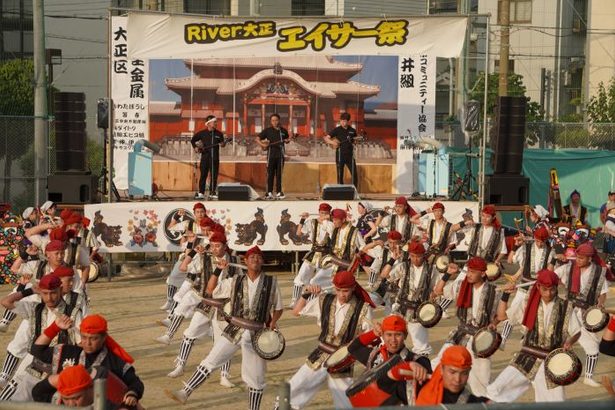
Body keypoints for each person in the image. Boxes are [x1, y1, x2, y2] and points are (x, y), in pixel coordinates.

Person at [166, 246, 283, 409]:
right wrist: (218, 271)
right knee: (210, 361)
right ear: (246, 261)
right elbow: (210, 290)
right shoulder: (235, 281)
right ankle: (185, 392)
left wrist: (273, 322)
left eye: (258, 257)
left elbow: (278, 308)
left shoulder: (271, 282)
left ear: (262, 261)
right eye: (252, 257)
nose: (255, 259)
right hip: (234, 329)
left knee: (255, 379)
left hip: (257, 334)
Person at [486, 269, 581, 402]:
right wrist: (506, 295)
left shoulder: (566, 307)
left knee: (554, 404)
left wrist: (570, 342)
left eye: (552, 289)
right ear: (538, 286)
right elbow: (502, 316)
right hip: (526, 357)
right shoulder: (528, 302)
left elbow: (577, 331)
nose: (548, 293)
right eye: (545, 289)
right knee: (496, 390)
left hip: (551, 363)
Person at [285, 270, 374, 409]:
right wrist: (306, 293)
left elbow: (366, 338)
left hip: (344, 360)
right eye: (338, 290)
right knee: (293, 389)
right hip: (320, 355)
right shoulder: (324, 300)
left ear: (353, 288)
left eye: (345, 291)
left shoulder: (363, 308)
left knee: (344, 404)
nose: (341, 295)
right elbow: (296, 311)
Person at [30, 314, 144, 407]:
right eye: (84, 337)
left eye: (93, 338)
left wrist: (132, 394)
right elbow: (37, 351)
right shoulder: (68, 352)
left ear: (104, 337)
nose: (87, 343)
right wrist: (55, 327)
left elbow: (135, 383)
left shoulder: (115, 363)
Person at [0, 274, 82, 401]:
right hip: (35, 368)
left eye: (53, 293)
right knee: (17, 401)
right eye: (45, 293)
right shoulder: (34, 308)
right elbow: (6, 302)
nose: (49, 298)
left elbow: (81, 344)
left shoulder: (73, 313)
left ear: (60, 290)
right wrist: (30, 290)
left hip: (60, 373)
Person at [431, 256, 502, 397]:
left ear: (482, 274)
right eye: (468, 271)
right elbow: (438, 291)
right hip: (460, 333)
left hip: (481, 339)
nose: (468, 274)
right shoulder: (460, 286)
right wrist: (448, 274)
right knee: (437, 365)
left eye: (472, 272)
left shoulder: (495, 291)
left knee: (480, 384)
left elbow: (499, 316)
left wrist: (493, 325)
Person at [346, 315, 431, 406]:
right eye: (389, 334)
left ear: (405, 336)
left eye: (398, 334)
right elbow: (353, 348)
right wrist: (373, 333)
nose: (393, 340)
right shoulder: (374, 356)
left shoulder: (419, 361)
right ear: (382, 335)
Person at [554, 242, 608, 386]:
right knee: (555, 344)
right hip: (567, 311)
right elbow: (553, 276)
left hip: (585, 315)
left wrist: (600, 304)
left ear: (590, 259)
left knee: (593, 349)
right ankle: (551, 373)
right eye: (577, 257)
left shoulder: (598, 272)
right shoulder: (569, 268)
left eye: (581, 258)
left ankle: (588, 377)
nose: (578, 260)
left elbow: (603, 292)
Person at [500, 225, 555, 348]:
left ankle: (525, 340)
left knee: (532, 314)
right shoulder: (526, 247)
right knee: (513, 311)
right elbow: (510, 260)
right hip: (524, 285)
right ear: (535, 238)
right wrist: (516, 246)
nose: (540, 244)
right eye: (538, 241)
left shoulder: (551, 251)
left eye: (543, 241)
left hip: (538, 288)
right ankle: (503, 338)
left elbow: (550, 271)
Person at [388, 240, 440, 356]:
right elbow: (385, 276)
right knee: (388, 337)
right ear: (409, 255)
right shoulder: (403, 266)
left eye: (418, 256)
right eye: (412, 256)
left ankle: (420, 368)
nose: (415, 259)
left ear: (424, 255)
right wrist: (392, 259)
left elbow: (436, 289)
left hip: (419, 311)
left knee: (421, 347)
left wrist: (433, 297)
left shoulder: (432, 270)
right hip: (400, 307)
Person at [161, 203, 208, 311]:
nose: (200, 214)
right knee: (173, 277)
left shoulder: (209, 224)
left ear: (205, 212)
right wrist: (177, 216)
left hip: (201, 258)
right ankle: (169, 301)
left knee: (192, 286)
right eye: (198, 212)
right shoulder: (189, 223)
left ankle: (180, 310)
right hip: (187, 256)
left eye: (202, 211)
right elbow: (170, 227)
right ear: (194, 213)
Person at [291, 203, 334, 307]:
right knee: (300, 277)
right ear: (319, 212)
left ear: (329, 213)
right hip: (313, 253)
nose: (323, 214)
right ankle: (294, 300)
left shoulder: (331, 224)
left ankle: (312, 302)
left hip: (326, 255)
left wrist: (326, 219)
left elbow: (330, 231)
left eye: (326, 213)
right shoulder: (312, 222)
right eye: (321, 212)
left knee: (318, 280)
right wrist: (303, 219)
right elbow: (299, 233)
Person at [309, 208, 365, 289]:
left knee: (337, 287)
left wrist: (359, 254)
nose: (333, 222)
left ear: (343, 219)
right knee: (315, 282)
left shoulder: (354, 231)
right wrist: (327, 216)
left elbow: (363, 246)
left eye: (335, 220)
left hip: (345, 265)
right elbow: (323, 222)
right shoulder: (334, 229)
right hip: (333, 263)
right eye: (333, 219)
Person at [415, 345, 489, 405]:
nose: (457, 379)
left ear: (469, 372)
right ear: (441, 369)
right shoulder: (419, 386)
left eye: (464, 373)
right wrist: (410, 365)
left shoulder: (474, 403)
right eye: (452, 372)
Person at [191, 115, 226, 199]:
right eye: (214, 122)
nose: (216, 123)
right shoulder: (202, 133)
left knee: (214, 175)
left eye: (216, 122)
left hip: (215, 158)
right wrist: (195, 147)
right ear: (208, 123)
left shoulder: (219, 134)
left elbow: (223, 144)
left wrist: (223, 144)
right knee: (203, 175)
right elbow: (193, 140)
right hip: (205, 157)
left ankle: (212, 192)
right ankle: (201, 193)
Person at [256, 113, 290, 199]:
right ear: (271, 122)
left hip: (280, 155)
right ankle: (269, 192)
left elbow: (287, 139)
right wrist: (262, 145)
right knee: (270, 174)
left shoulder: (283, 131)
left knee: (279, 175)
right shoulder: (267, 131)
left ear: (279, 121)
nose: (275, 122)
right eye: (273, 120)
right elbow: (257, 138)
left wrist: (287, 141)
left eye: (276, 120)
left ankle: (279, 192)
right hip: (271, 155)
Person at [323, 112, 359, 187]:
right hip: (340, 155)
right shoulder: (337, 130)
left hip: (350, 155)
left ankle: (355, 192)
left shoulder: (352, 130)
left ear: (348, 121)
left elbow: (356, 140)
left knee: (355, 175)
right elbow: (326, 138)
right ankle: (340, 191)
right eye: (341, 121)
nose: (342, 122)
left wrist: (356, 141)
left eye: (344, 121)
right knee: (340, 175)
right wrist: (333, 143)